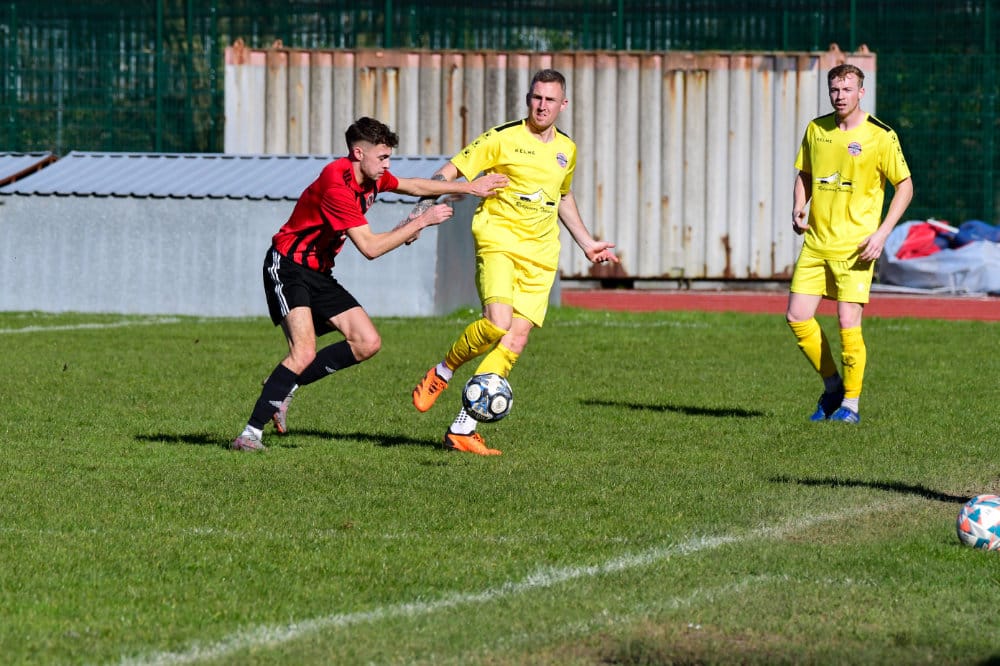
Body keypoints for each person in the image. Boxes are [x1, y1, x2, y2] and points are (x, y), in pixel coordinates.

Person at [231, 117, 508, 451]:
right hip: (288, 267)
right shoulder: (337, 186)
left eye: (389, 157)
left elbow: (414, 186)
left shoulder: (372, 177)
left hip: (318, 272)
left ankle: (284, 384)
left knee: (367, 342)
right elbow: (370, 248)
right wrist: (421, 221)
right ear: (358, 153)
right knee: (303, 352)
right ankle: (249, 434)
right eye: (382, 157)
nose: (387, 165)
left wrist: (469, 187)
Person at [409, 69, 619, 456]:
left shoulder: (567, 150)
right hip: (499, 242)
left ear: (563, 104)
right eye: (536, 98)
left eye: (550, 100)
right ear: (528, 99)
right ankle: (443, 371)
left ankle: (462, 429)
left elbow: (563, 196)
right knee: (496, 323)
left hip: (541, 255)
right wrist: (418, 214)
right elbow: (450, 170)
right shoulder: (502, 137)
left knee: (515, 340)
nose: (542, 106)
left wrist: (587, 242)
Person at [786, 63, 913, 424]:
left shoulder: (881, 135)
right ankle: (833, 387)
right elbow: (805, 174)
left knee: (847, 321)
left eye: (847, 89)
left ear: (861, 92)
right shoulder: (817, 129)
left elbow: (905, 186)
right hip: (816, 243)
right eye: (834, 90)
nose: (840, 96)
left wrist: (882, 233)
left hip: (856, 247)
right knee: (797, 317)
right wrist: (798, 206)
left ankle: (851, 406)